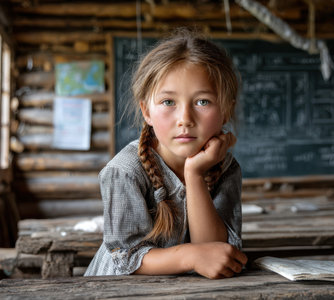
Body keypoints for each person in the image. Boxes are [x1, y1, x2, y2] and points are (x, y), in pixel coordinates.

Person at [84, 29, 247, 279]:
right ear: (146, 111)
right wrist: (192, 256)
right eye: (168, 102)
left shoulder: (225, 167)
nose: (185, 119)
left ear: (226, 111)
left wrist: (194, 174)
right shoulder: (125, 171)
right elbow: (127, 259)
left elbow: (217, 254)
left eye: (202, 101)